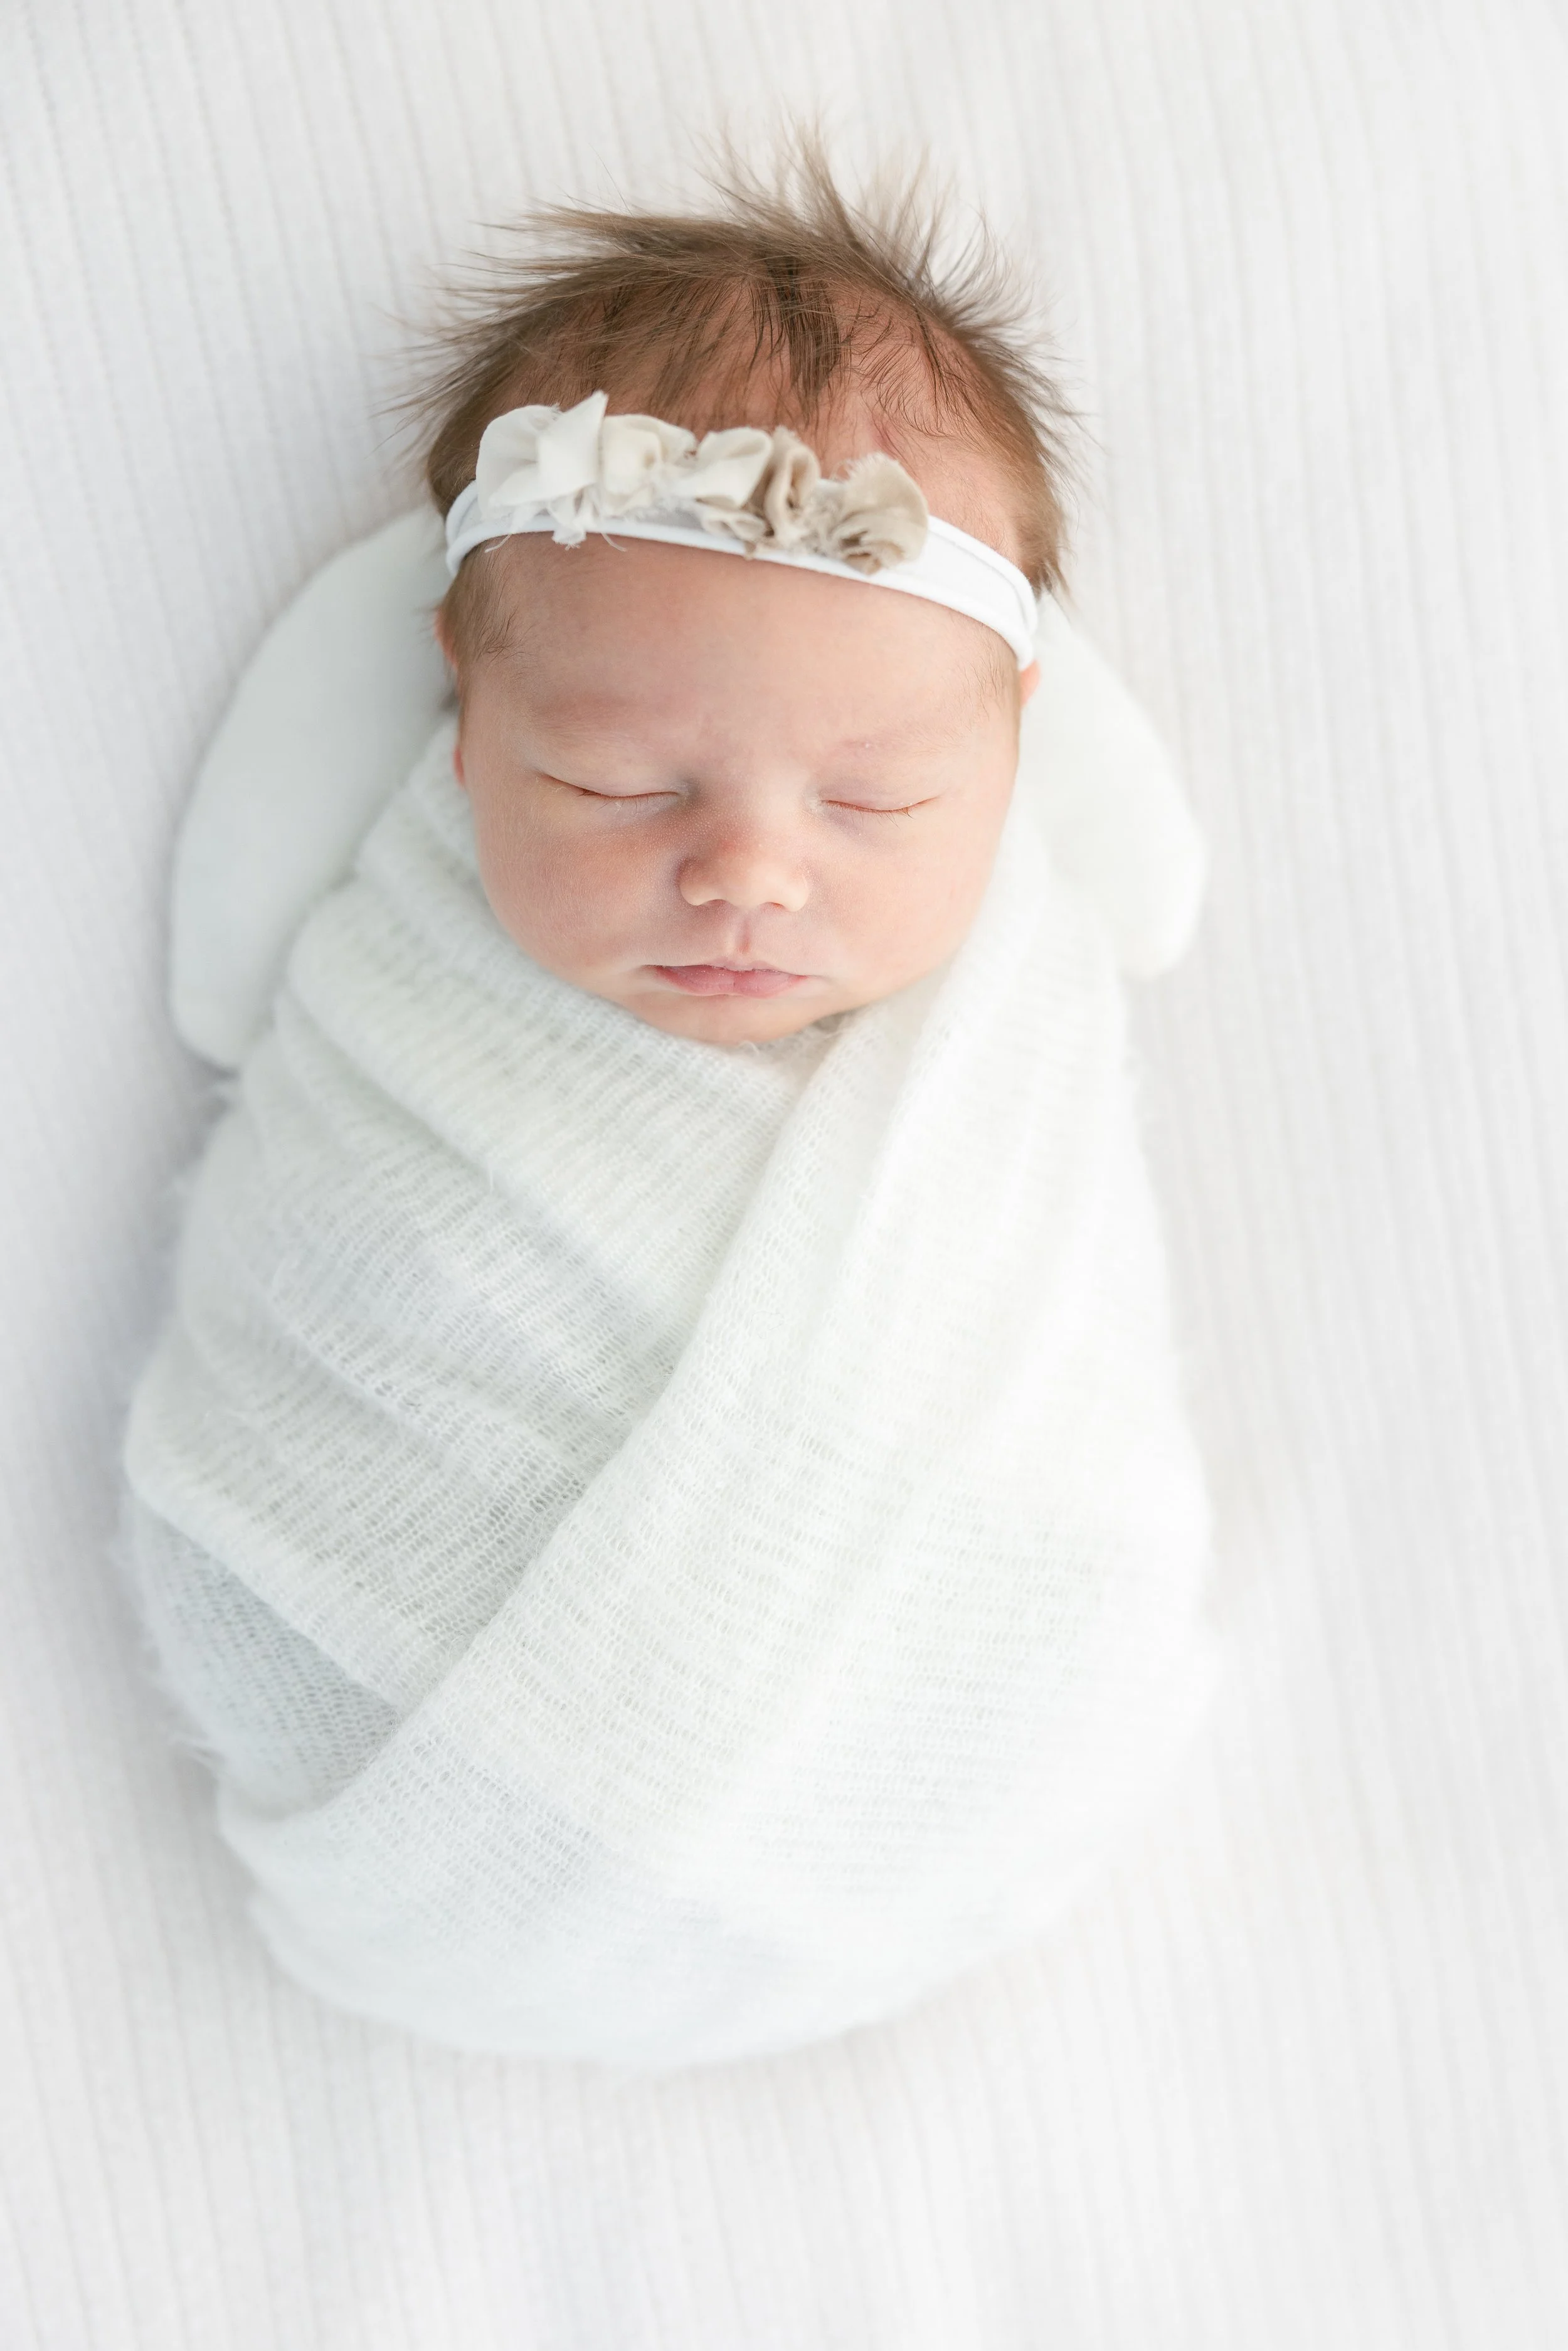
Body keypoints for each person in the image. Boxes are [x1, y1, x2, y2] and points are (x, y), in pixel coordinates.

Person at [118, 148, 1220, 2069]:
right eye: (618, 789)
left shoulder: (1001, 1018)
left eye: (871, 803)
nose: (745, 876)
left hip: (934, 1779)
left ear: (1021, 741)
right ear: (459, 713)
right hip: (404, 1697)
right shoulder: (406, 966)